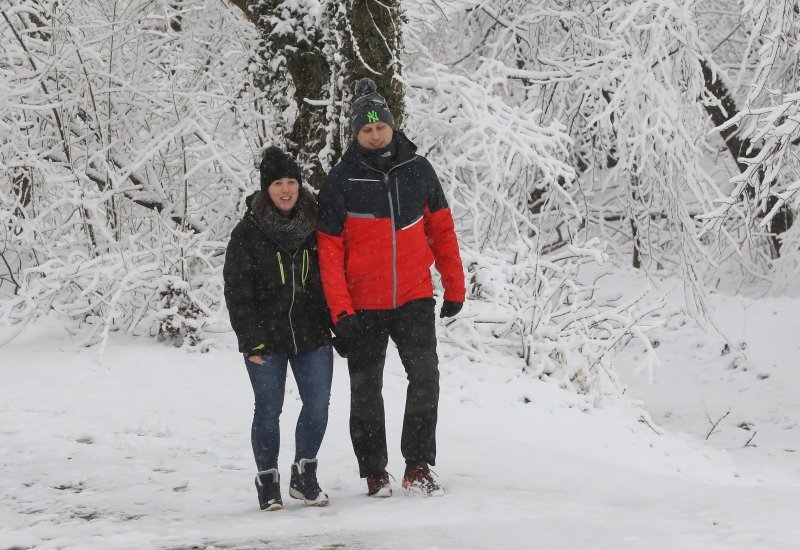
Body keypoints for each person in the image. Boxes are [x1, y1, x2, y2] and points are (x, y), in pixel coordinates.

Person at [316, 78, 466, 498]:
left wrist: (454, 284)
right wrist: (340, 310)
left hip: (415, 296)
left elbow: (441, 230)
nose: (375, 134)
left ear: (392, 125)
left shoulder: (418, 170)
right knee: (366, 387)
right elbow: (328, 251)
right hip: (363, 303)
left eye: (380, 126)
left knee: (424, 377)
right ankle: (374, 471)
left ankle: (417, 465)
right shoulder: (342, 179)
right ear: (356, 133)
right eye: (366, 129)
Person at [224, 147, 333, 511]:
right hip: (265, 338)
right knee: (268, 409)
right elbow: (237, 291)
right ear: (265, 189)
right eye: (277, 184)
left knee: (318, 406)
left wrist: (340, 321)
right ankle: (267, 480)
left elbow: (334, 275)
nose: (286, 190)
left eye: (292, 182)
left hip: (313, 334)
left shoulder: (318, 223)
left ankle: (305, 475)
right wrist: (249, 339)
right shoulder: (248, 232)